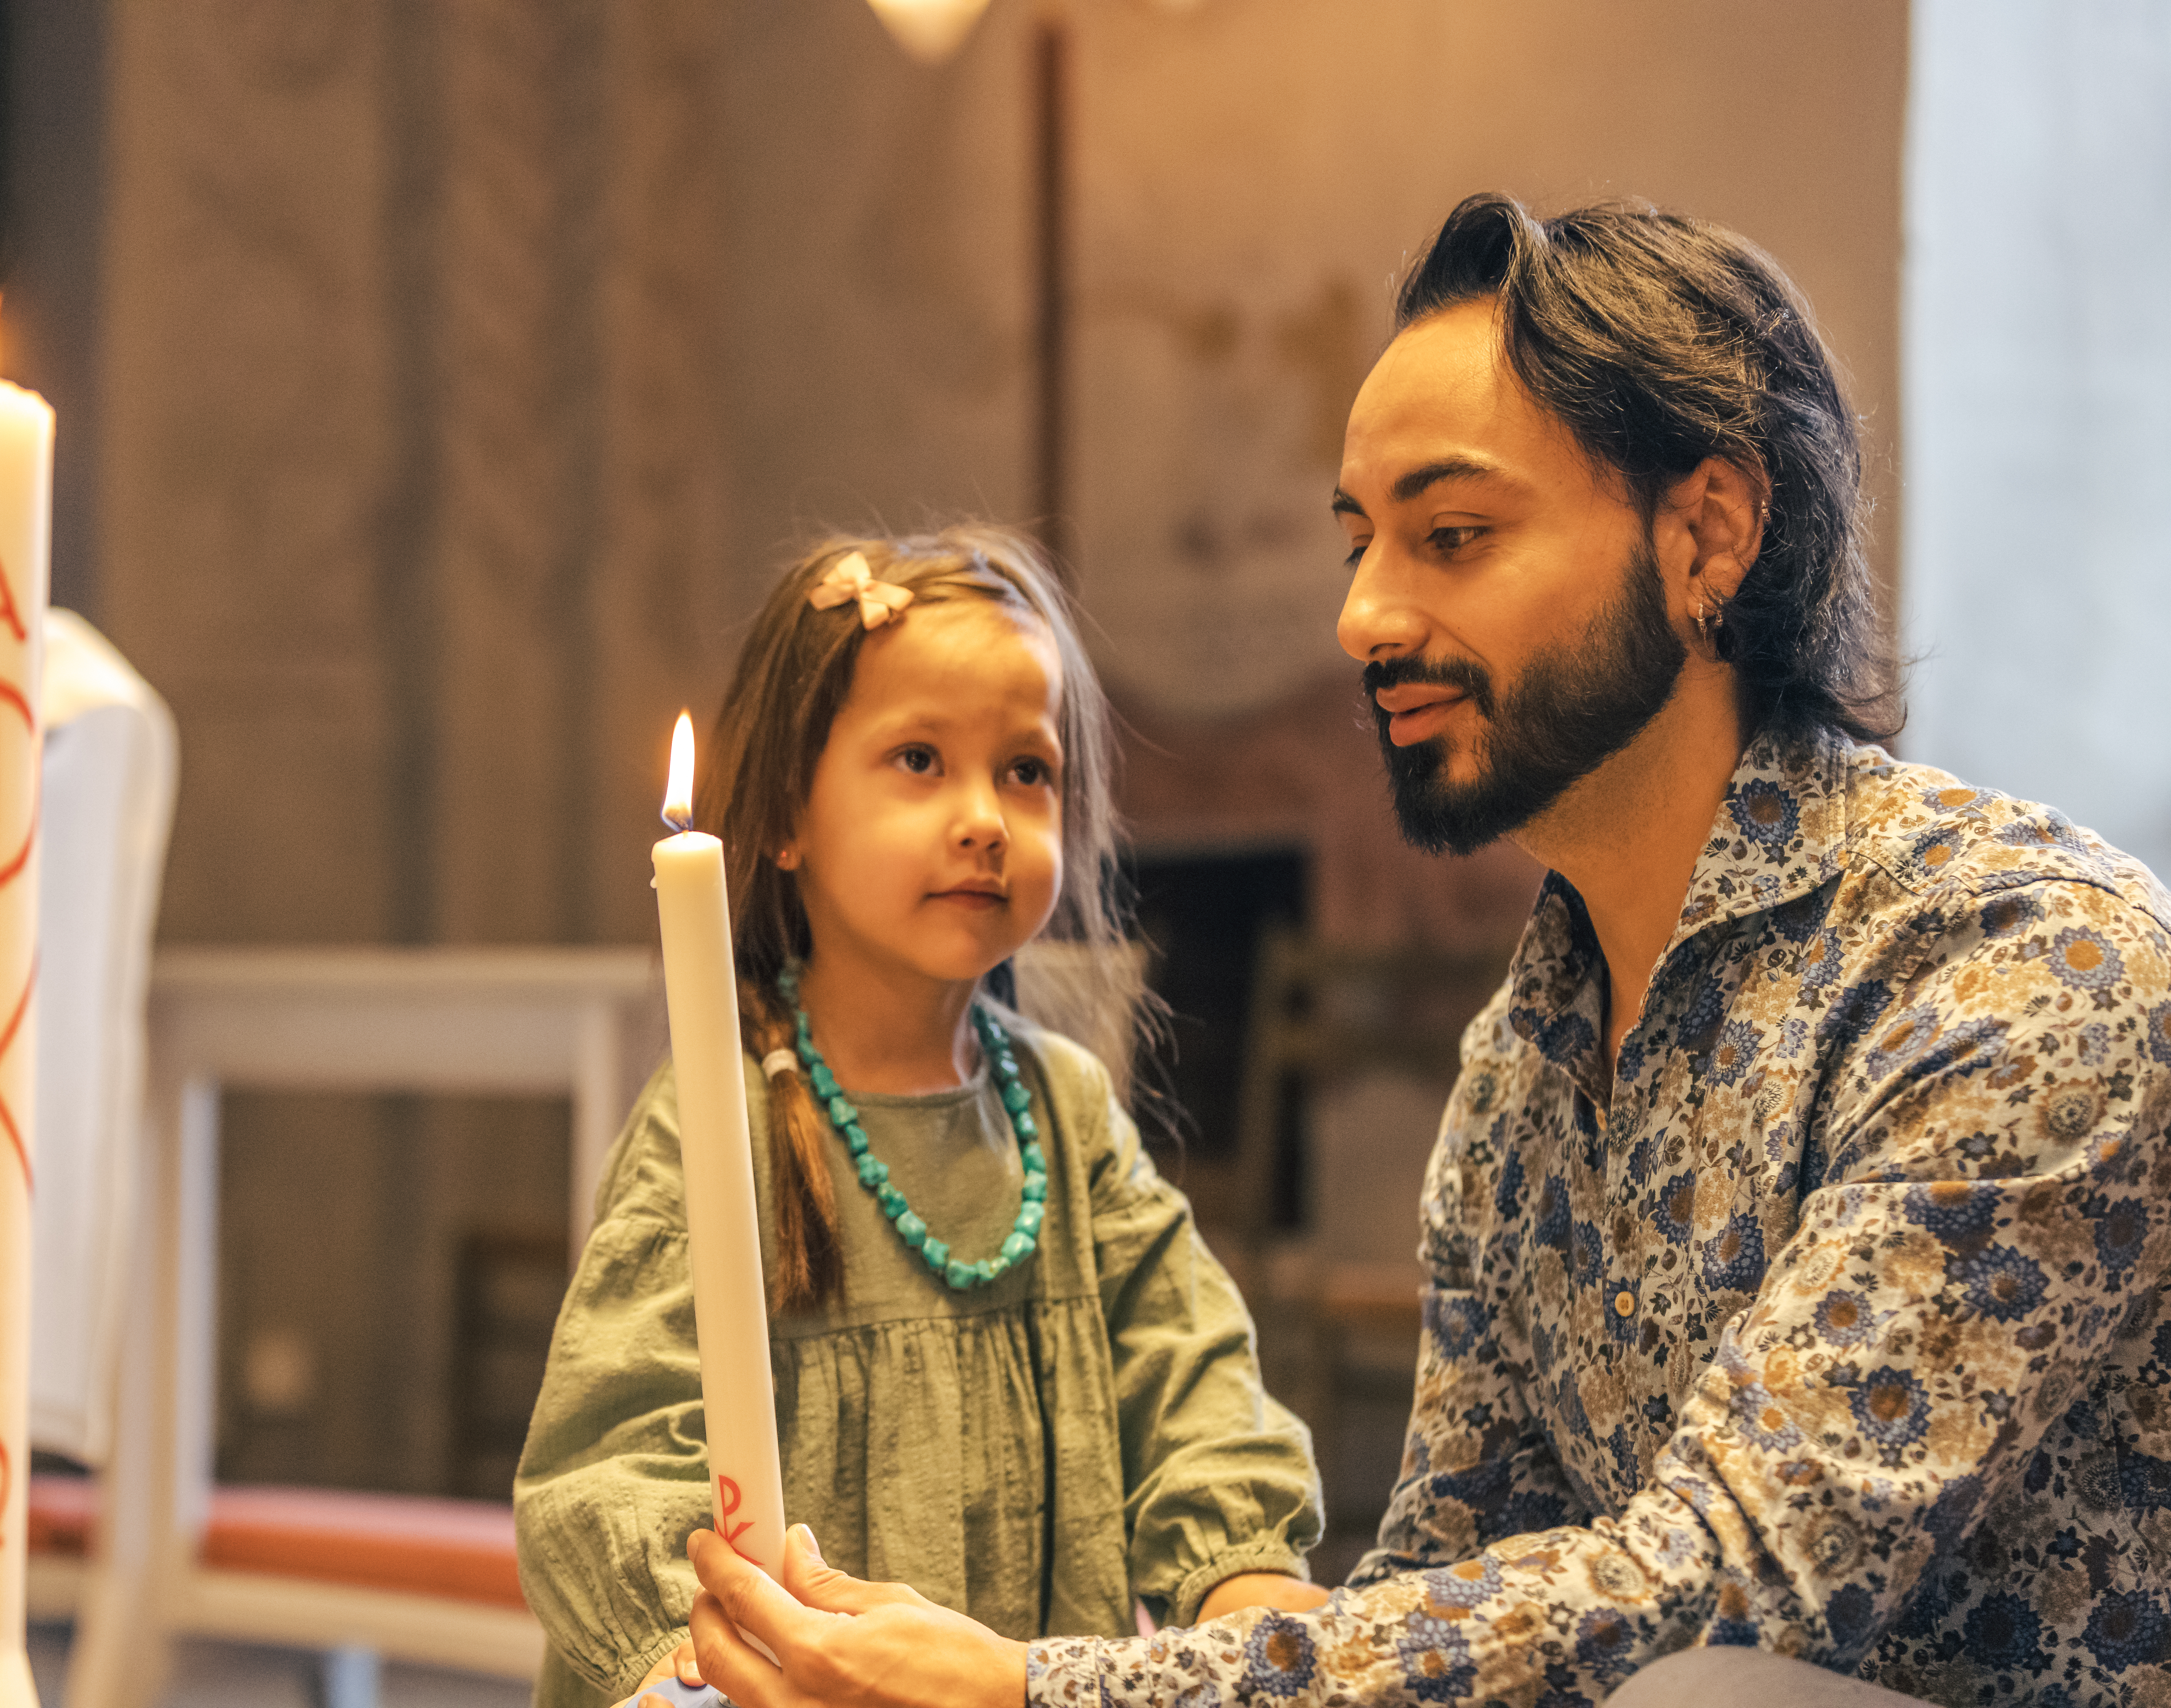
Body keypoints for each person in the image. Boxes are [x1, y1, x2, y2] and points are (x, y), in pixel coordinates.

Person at [678, 196, 2171, 1708]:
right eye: (1358, 542)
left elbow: (1739, 1574)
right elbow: (1445, 1603)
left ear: (1703, 533)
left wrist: (1044, 1693)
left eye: (1450, 535)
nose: (1361, 616)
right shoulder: (1521, 1064)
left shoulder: (2019, 971)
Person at [514, 526, 1324, 1708]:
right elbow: (618, 1448)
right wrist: (689, 1663)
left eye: (1027, 771)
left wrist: (1246, 1595)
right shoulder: (719, 1118)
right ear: (788, 815)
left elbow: (1191, 1375)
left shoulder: (1067, 1113)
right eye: (920, 760)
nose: (985, 817)